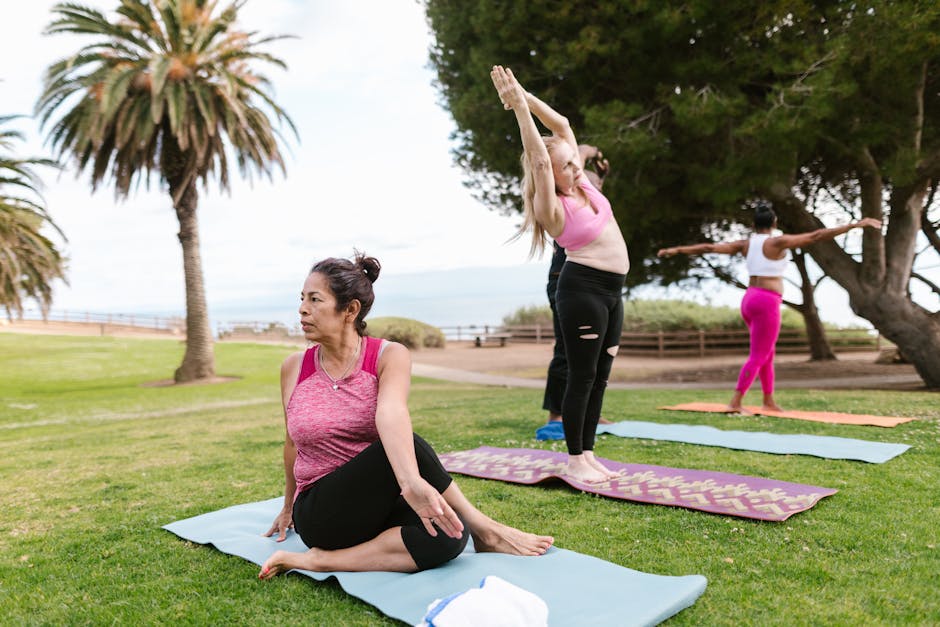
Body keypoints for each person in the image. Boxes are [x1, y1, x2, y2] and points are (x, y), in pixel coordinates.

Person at [259, 252, 553, 578]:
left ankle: (317, 561)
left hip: (378, 504)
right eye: (302, 299)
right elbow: (291, 445)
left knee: (450, 533)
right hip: (322, 513)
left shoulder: (388, 356)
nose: (302, 308)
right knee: (401, 449)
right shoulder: (294, 367)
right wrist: (287, 508)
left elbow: (392, 412)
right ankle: (484, 527)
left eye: (315, 300)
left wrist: (411, 484)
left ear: (350, 310)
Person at [491, 65, 629, 483]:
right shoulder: (552, 210)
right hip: (582, 288)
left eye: (574, 162)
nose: (575, 168)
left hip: (613, 290)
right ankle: (573, 460)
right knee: (582, 375)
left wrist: (523, 93)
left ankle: (588, 453)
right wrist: (518, 111)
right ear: (550, 176)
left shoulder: (586, 188)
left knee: (601, 377)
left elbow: (563, 125)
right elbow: (538, 157)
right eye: (566, 166)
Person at [657, 205, 882, 413]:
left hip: (749, 299)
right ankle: (735, 402)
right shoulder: (776, 243)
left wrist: (675, 250)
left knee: (767, 354)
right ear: (774, 223)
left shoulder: (745, 244)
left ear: (754, 224)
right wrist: (854, 225)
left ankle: (768, 401)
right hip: (766, 301)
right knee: (759, 355)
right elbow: (815, 236)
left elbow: (708, 247)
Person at [539, 145, 613, 437]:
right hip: (565, 280)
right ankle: (556, 414)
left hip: (591, 281)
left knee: (593, 353)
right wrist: (588, 151)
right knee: (566, 351)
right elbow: (577, 162)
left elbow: (595, 193)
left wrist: (602, 176)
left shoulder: (591, 207)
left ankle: (590, 412)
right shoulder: (561, 202)